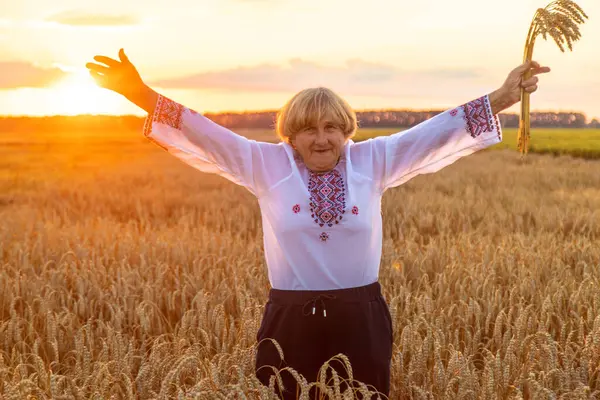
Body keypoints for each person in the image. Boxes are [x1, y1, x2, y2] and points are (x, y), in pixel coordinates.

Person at [86, 49, 550, 399]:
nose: (322, 138)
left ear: (347, 130)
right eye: (309, 128)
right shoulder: (265, 164)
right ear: (291, 134)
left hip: (362, 319)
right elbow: (205, 132)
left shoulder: (375, 159)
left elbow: (434, 132)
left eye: (332, 127)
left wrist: (504, 95)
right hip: (289, 322)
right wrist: (139, 94)